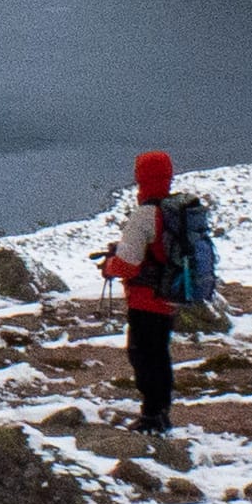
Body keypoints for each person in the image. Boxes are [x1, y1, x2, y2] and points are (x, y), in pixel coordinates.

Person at [99, 148, 183, 435]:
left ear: (141, 176)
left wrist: (109, 265)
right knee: (160, 354)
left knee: (143, 355)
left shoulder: (145, 214)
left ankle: (151, 418)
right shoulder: (173, 210)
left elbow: (128, 266)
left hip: (146, 299)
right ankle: (162, 413)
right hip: (170, 295)